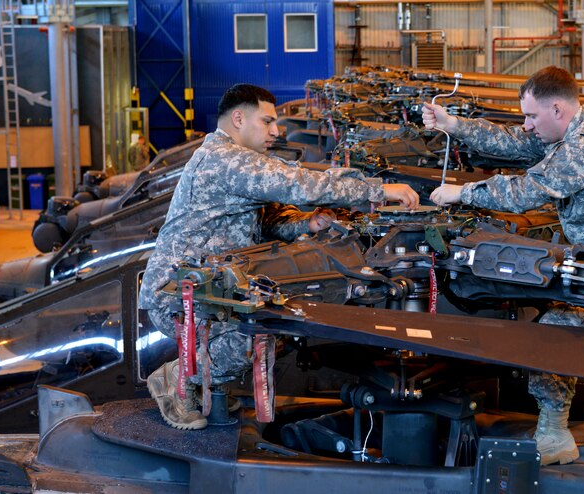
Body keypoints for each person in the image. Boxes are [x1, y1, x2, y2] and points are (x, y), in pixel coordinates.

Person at [423, 66, 584, 494]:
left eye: (532, 116)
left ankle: (556, 434)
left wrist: (461, 193)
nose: (527, 125)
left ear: (557, 108)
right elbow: (518, 143)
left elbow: (526, 191)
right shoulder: (575, 129)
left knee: (554, 335)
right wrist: (454, 125)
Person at [138, 83, 419, 431]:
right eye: (267, 121)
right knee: (263, 328)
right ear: (238, 118)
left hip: (209, 285)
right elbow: (297, 184)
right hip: (182, 293)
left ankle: (196, 384)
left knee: (277, 326)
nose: (276, 130)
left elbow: (266, 220)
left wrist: (306, 223)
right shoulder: (225, 159)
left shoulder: (237, 160)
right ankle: (176, 380)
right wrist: (378, 189)